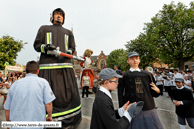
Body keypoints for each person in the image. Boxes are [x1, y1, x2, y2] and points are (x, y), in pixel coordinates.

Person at [33, 8, 81, 128]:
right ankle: (47, 118)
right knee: (48, 93)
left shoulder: (69, 32)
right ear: (52, 17)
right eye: (56, 14)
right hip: (48, 68)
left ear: (63, 18)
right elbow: (37, 45)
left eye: (61, 15)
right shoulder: (43, 28)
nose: (59, 16)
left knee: (68, 92)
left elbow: (72, 48)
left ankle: (70, 116)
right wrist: (46, 47)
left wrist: (68, 52)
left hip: (65, 68)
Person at [121, 52, 163, 129]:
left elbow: (153, 93)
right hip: (132, 107)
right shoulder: (125, 75)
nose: (135, 60)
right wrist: (122, 108)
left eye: (137, 58)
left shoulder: (147, 74)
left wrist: (158, 91)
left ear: (139, 60)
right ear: (128, 61)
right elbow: (120, 94)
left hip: (148, 107)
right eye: (132, 59)